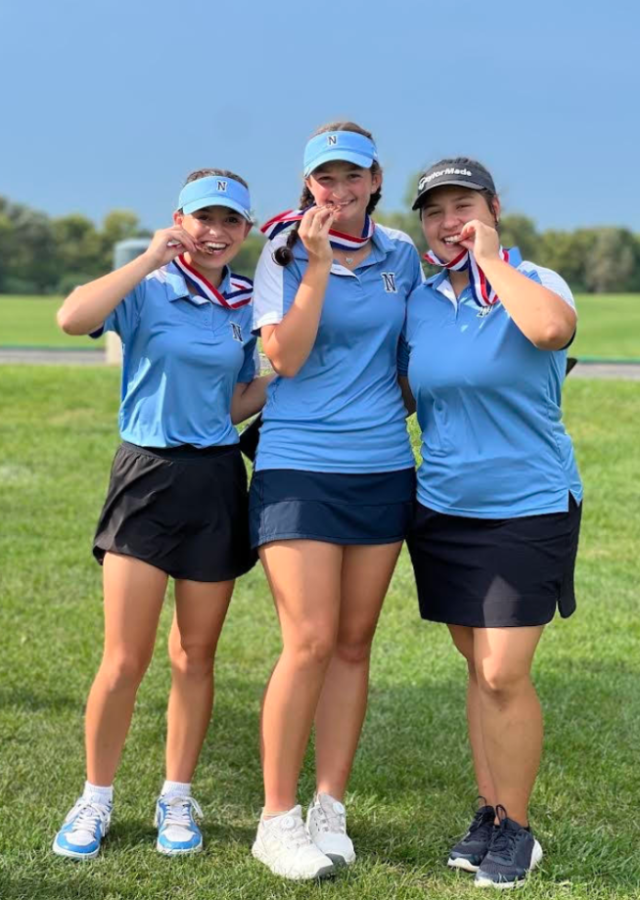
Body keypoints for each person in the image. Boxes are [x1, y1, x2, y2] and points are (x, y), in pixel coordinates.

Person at [52, 169, 270, 859]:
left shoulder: (244, 303)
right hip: (145, 475)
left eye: (228, 222)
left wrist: (280, 379)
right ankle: (95, 797)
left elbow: (229, 404)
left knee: (195, 656)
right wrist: (148, 257)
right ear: (180, 218)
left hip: (213, 481)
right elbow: (73, 318)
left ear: (245, 232)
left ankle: (176, 795)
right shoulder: (148, 288)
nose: (214, 232)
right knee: (125, 657)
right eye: (203, 218)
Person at [399, 158, 583, 888]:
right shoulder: (420, 301)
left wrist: (488, 261)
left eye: (463, 205)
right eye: (436, 211)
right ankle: (492, 814)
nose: (450, 221)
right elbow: (405, 390)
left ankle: (520, 830)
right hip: (443, 508)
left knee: (506, 671)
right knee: (479, 670)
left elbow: (551, 331)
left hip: (529, 504)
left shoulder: (535, 279)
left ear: (494, 207)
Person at [248, 122, 424, 880]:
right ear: (309, 185)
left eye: (353, 177)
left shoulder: (404, 257)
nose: (340, 191)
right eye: (326, 179)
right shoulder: (281, 253)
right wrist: (316, 266)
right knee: (311, 640)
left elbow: (411, 361)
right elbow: (282, 356)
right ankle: (276, 820)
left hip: (383, 468)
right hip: (298, 468)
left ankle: (329, 806)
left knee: (354, 644)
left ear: (376, 179)